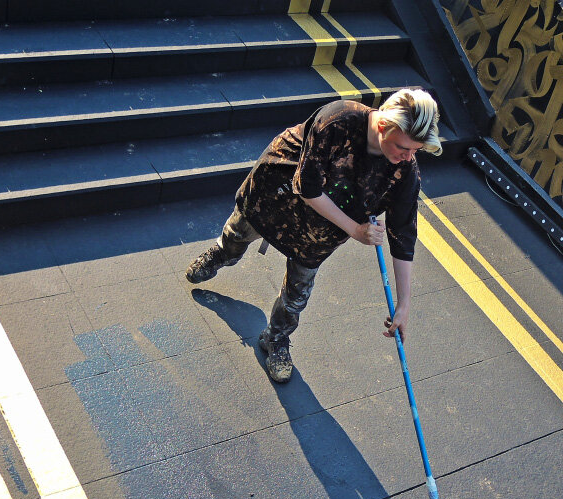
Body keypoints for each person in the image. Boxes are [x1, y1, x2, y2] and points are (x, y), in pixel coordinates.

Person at [186, 88, 442, 382]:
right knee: (237, 235)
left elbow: (404, 233)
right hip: (278, 193)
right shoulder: (338, 120)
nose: (408, 157)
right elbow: (307, 187)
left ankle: (276, 337)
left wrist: (404, 305)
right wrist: (356, 230)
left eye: (415, 151)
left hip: (321, 229)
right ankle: (222, 253)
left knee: (297, 293)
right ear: (383, 125)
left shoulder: (404, 169)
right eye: (403, 148)